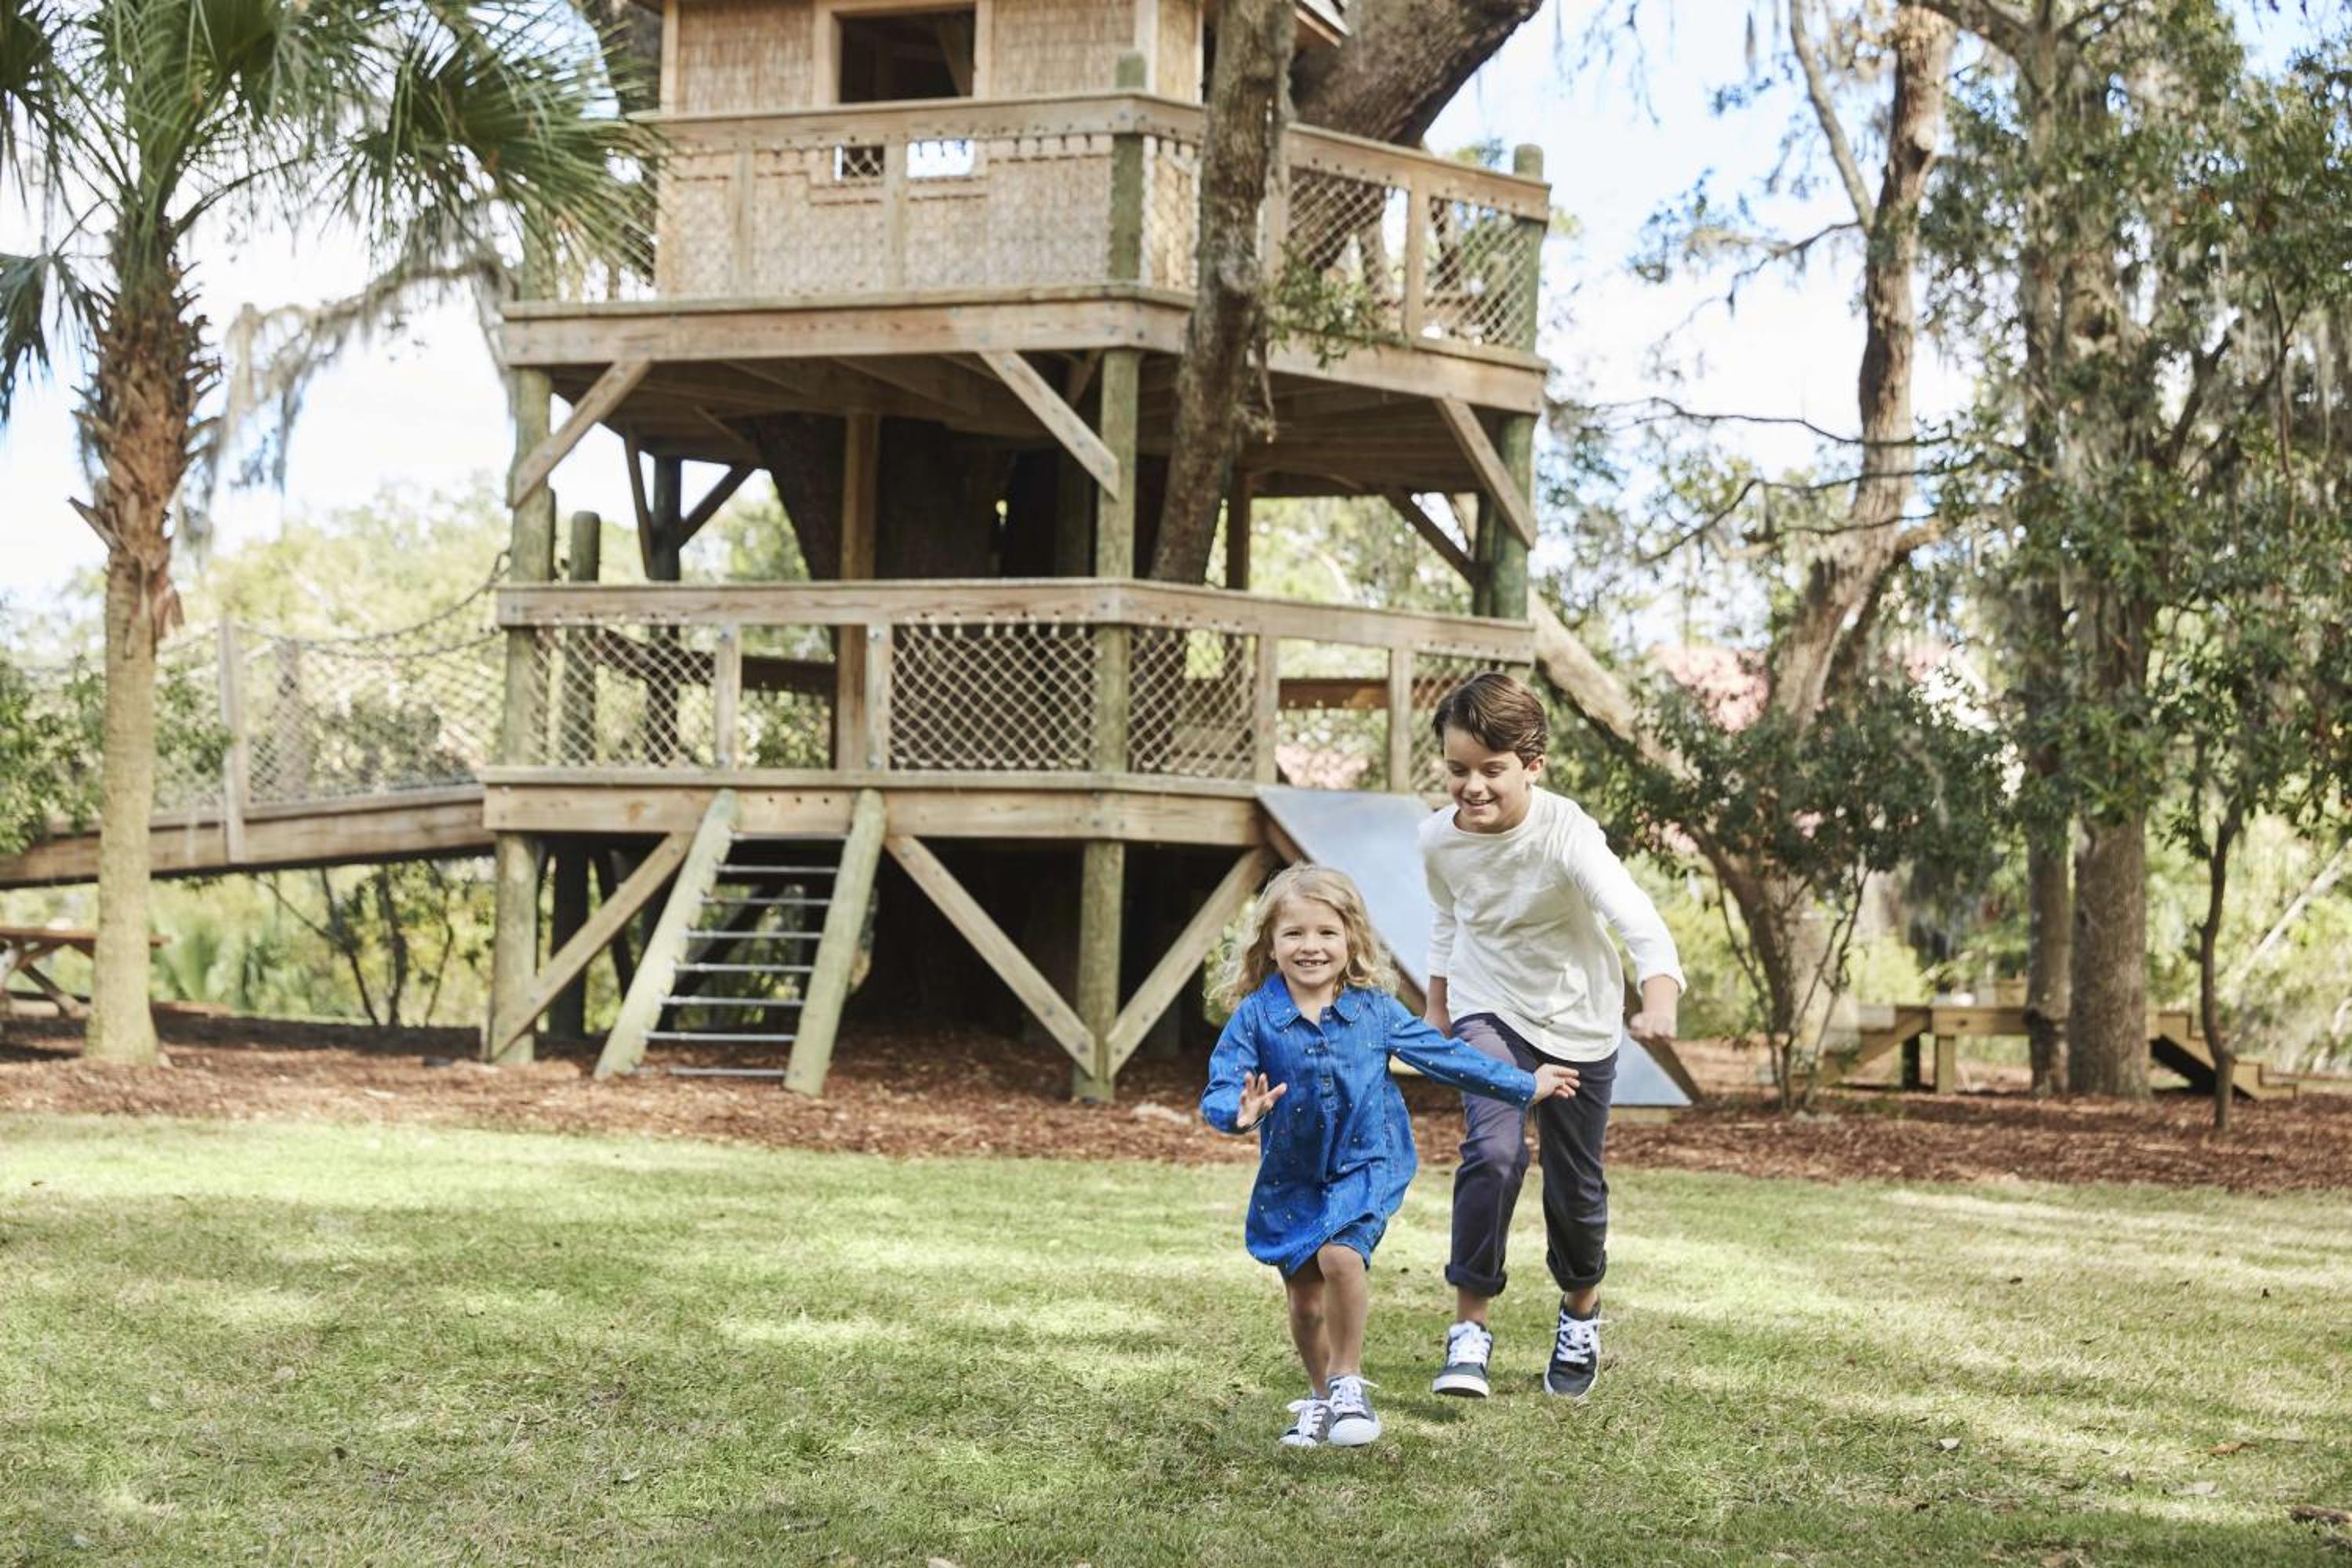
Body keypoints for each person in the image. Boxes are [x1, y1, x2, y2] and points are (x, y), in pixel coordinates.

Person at [1200, 863, 1577, 1450]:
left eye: (1327, 932)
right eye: (1294, 933)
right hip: (1293, 1175)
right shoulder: (1255, 1017)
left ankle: (1348, 1381)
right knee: (1304, 1300)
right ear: (1269, 945)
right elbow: (1223, 1087)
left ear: (1351, 939)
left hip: (1367, 1159)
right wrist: (1238, 1113)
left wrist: (1526, 1084)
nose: (1311, 946)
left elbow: (1445, 1057)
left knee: (1341, 1256)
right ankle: (1321, 1398)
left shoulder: (1374, 1010)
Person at [1420, 672, 1683, 1401]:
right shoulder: (1437, 840)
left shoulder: (1567, 833)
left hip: (1577, 1020)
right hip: (1487, 1006)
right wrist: (1439, 1010)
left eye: (1492, 770)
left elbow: (1635, 918)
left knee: (1575, 1185)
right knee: (1494, 1151)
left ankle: (1580, 1311)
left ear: (1532, 765)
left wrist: (1660, 995)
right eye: (1458, 769)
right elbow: (1446, 919)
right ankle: (1469, 1328)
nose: (1472, 787)